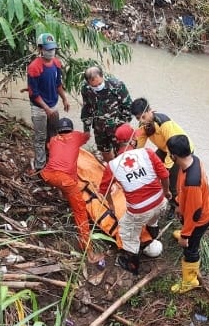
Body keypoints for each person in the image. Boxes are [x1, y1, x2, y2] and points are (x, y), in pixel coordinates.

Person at [99, 123, 171, 275]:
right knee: (154, 215)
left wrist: (111, 206)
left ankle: (132, 265)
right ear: (133, 139)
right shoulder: (148, 152)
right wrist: (167, 192)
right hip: (161, 202)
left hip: (139, 211)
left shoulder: (113, 165)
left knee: (126, 231)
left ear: (118, 142)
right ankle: (153, 230)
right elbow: (164, 175)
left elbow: (104, 191)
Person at [40, 118, 102, 263]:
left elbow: (50, 147)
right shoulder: (76, 136)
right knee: (80, 212)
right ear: (71, 129)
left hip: (47, 175)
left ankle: (63, 194)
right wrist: (87, 122)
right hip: (64, 180)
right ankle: (88, 251)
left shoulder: (54, 140)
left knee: (66, 183)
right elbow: (87, 135)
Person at [166, 134, 209, 293]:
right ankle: (186, 233)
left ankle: (190, 281)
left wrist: (186, 236)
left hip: (200, 218)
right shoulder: (192, 160)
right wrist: (180, 204)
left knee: (190, 250)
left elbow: (195, 213)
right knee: (188, 229)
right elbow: (185, 193)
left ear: (174, 155)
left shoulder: (192, 181)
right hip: (196, 208)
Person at [130, 97, 193, 218]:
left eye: (143, 117)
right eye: (138, 118)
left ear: (149, 111)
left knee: (171, 182)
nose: (142, 121)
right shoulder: (144, 126)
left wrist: (166, 168)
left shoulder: (164, 124)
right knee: (151, 167)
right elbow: (141, 142)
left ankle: (174, 206)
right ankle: (157, 197)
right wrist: (135, 157)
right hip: (165, 148)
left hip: (178, 150)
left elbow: (172, 147)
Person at [27, 33, 70, 172]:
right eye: (48, 49)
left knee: (53, 134)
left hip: (53, 104)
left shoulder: (56, 63)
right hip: (39, 107)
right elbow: (34, 94)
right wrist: (46, 108)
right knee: (40, 137)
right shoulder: (34, 67)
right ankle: (40, 167)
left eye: (53, 49)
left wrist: (64, 98)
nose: (51, 52)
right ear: (40, 49)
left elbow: (58, 84)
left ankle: (52, 161)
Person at [80, 66, 133, 162]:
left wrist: (122, 125)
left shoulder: (117, 86)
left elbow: (129, 107)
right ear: (88, 83)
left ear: (102, 76)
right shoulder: (86, 89)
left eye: (99, 84)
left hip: (118, 128)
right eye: (94, 86)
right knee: (104, 151)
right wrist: (86, 129)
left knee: (122, 155)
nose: (97, 87)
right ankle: (111, 170)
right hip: (99, 128)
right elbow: (87, 109)